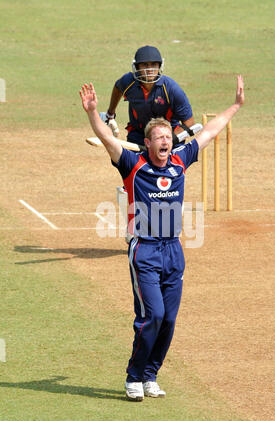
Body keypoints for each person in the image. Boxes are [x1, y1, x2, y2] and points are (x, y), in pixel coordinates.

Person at [79, 75, 245, 401]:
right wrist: (93, 113)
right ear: (148, 142)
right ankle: (133, 375)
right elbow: (106, 138)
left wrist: (236, 106)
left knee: (168, 319)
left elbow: (210, 131)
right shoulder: (132, 164)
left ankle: (151, 375)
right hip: (144, 249)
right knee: (151, 315)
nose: (165, 141)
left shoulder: (181, 161)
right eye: (158, 137)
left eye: (168, 136)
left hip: (174, 249)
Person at [101, 45, 195, 149]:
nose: (150, 69)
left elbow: (189, 123)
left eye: (154, 64)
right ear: (136, 67)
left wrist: (167, 140)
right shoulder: (128, 82)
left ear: (160, 66)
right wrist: (110, 114)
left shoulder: (171, 89)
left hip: (169, 135)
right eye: (145, 65)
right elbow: (118, 87)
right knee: (127, 164)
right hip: (139, 135)